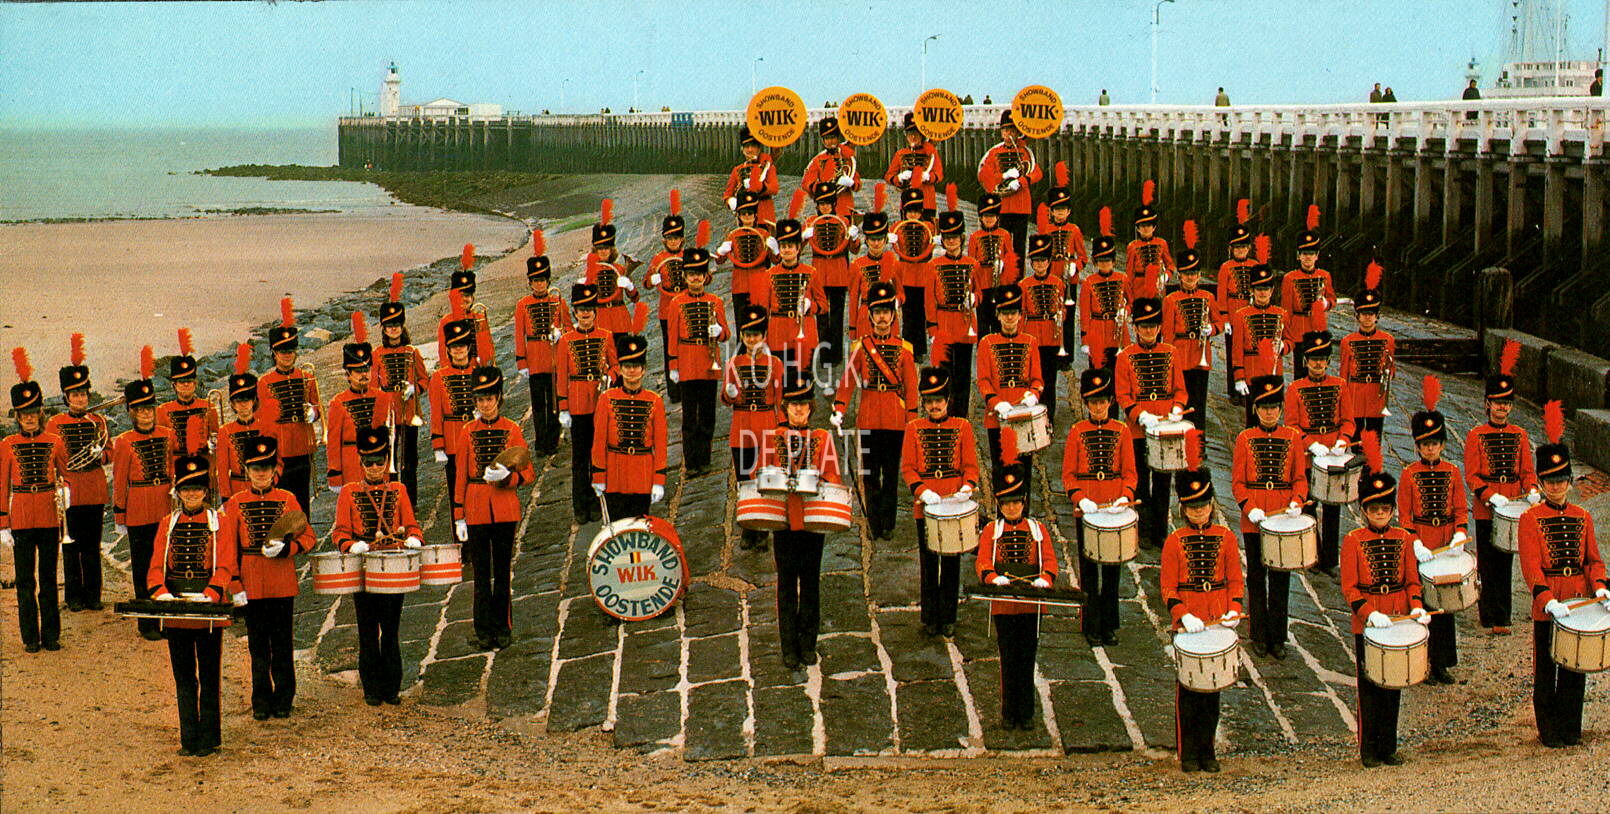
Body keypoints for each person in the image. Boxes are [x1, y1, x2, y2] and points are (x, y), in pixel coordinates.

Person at [1519, 401, 1608, 748]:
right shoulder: (1530, 519)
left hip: (1579, 600)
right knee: (1546, 669)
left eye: (1561, 480)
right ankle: (1548, 730)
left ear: (1570, 481)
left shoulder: (1583, 517)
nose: (1556, 486)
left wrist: (1600, 588)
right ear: (1541, 483)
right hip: (1550, 603)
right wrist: (1546, 600)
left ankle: (1571, 728)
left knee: (1576, 666)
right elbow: (1531, 567)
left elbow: (1594, 561)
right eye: (1549, 481)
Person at [1342, 447, 1429, 767]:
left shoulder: (1405, 538)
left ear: (1392, 510)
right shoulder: (1353, 540)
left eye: (1385, 508)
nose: (1380, 513)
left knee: (1394, 684)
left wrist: (1416, 607)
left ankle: (1388, 746)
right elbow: (1349, 587)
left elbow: (1412, 581)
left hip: (1399, 617)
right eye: (1373, 508)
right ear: (1364, 510)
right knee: (1369, 686)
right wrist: (1369, 613)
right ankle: (1368, 748)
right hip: (1369, 620)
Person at [146, 453, 236, 757]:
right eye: (186, 489)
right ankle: (188, 738)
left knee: (209, 676)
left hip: (208, 608)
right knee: (184, 676)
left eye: (197, 488)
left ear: (206, 491)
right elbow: (155, 567)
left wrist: (211, 593)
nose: (192, 494)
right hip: (176, 609)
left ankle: (210, 738)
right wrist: (161, 594)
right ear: (178, 491)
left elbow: (226, 564)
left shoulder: (220, 522)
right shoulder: (167, 523)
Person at [223, 435, 316, 719]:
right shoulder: (235, 503)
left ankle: (284, 698)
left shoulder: (287, 499)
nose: (261, 473)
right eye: (255, 468)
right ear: (246, 470)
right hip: (251, 582)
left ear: (274, 469)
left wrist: (289, 548)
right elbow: (228, 549)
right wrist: (235, 584)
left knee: (283, 644)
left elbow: (309, 537)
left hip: (281, 580)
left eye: (265, 467)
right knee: (258, 646)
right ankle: (261, 699)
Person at [1160, 460, 1243, 773]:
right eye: (1193, 508)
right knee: (1188, 691)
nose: (1199, 512)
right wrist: (1182, 615)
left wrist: (1234, 608)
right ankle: (1188, 752)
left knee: (1212, 693)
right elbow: (1168, 588)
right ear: (1184, 509)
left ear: (1211, 506)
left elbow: (1235, 579)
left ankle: (1208, 750)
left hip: (1217, 622)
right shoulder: (1174, 541)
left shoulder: (1226, 537)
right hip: (1189, 625)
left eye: (1203, 506)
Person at [332, 427, 424, 705]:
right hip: (363, 566)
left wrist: (414, 539)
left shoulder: (398, 489)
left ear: (386, 462)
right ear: (361, 462)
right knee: (367, 630)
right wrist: (351, 545)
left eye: (379, 461)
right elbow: (339, 533)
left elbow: (412, 525)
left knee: (391, 630)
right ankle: (371, 687)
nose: (374, 467)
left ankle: (391, 687)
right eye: (369, 462)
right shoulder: (348, 492)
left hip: (393, 566)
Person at [760, 372, 843, 668]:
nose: (798, 410)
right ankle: (788, 647)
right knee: (785, 584)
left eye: (803, 405)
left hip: (812, 519)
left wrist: (818, 481)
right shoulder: (772, 437)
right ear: (785, 408)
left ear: (811, 408)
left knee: (810, 582)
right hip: (783, 520)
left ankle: (808, 643)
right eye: (793, 405)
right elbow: (760, 473)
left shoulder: (822, 438)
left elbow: (833, 476)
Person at [454, 365, 536, 650]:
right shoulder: (467, 432)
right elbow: (460, 476)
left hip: (504, 507)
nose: (485, 405)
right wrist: (459, 516)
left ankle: (502, 626)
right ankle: (483, 628)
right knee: (480, 574)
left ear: (499, 398)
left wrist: (508, 477)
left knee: (501, 571)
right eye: (480, 400)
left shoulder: (512, 429)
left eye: (489, 398)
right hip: (476, 506)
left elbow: (528, 473)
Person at [975, 462, 1057, 730]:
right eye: (1006, 503)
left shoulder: (1038, 529)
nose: (1011, 508)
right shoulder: (992, 531)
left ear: (1023, 503)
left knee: (1027, 658)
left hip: (1031, 604)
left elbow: (1050, 562)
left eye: (1015, 503)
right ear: (999, 505)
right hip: (1004, 605)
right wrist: (992, 578)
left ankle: (1027, 713)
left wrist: (1045, 579)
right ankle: (1009, 712)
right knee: (1008, 659)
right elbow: (983, 561)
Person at [833, 281, 917, 541]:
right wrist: (839, 407)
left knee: (891, 474)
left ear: (893, 316)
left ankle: (888, 522)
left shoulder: (905, 349)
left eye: (886, 312)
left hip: (895, 418)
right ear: (870, 316)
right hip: (869, 416)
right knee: (869, 474)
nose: (882, 317)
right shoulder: (861, 347)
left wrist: (912, 419)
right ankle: (873, 522)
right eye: (877, 312)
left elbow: (911, 387)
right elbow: (848, 380)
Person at [1464, 339, 1538, 635]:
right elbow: (1472, 476)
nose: (1502, 407)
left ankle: (1503, 616)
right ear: (1487, 404)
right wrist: (1490, 496)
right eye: (1497, 402)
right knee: (1487, 561)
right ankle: (1487, 613)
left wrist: (1532, 490)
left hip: (1513, 507)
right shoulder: (1476, 435)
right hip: (1488, 507)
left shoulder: (1520, 435)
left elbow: (1527, 471)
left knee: (1506, 562)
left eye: (1506, 403)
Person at [1232, 375, 1307, 659]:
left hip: (1282, 520)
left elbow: (1299, 478)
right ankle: (1258, 634)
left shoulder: (1293, 437)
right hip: (1254, 520)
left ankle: (1278, 636)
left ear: (1281, 409)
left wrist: (1297, 501)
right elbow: (1238, 482)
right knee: (1256, 576)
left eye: (1274, 407)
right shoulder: (1245, 438)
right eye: (1264, 407)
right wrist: (1250, 508)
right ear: (1255, 409)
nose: (1269, 412)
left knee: (1280, 578)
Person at [902, 366, 981, 638]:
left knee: (950, 563)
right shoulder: (914, 428)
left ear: (948, 400)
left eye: (938, 400)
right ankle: (929, 616)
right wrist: (922, 491)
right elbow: (908, 468)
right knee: (928, 563)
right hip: (925, 507)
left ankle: (948, 616)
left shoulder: (963, 427)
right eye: (929, 401)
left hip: (953, 506)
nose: (934, 406)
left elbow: (971, 466)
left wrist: (967, 487)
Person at [1062, 368, 1139, 646]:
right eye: (1093, 402)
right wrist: (1080, 498)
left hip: (1113, 511)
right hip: (1088, 510)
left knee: (1112, 571)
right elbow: (1068, 475)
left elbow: (1130, 473)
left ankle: (1108, 623)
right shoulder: (1077, 432)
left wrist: (1125, 496)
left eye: (1103, 402)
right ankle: (1090, 623)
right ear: (1086, 404)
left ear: (1110, 402)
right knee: (1088, 570)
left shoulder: (1122, 431)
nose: (1098, 407)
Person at [1400, 377, 1468, 685]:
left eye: (1435, 443)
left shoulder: (1452, 472)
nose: (1430, 448)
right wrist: (1415, 543)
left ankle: (1442, 662)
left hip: (1446, 545)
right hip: (1422, 545)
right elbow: (1405, 515)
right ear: (1417, 446)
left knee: (1446, 604)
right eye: (1425, 444)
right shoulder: (1408, 475)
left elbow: (1461, 509)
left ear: (1442, 445)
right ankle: (1423, 662)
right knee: (1424, 604)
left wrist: (1460, 534)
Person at [2, 350, 69, 652]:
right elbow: (1, 486)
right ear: (17, 417)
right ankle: (30, 637)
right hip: (21, 519)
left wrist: (66, 492)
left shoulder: (55, 441)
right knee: (25, 582)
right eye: (24, 413)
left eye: (33, 412)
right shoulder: (7, 445)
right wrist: (3, 523)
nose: (29, 418)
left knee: (49, 579)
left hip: (48, 516)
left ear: (41, 413)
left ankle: (51, 635)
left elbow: (66, 474)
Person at [112, 350, 176, 640]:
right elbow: (119, 481)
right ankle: (146, 622)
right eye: (140, 410)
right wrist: (120, 514)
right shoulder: (124, 442)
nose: (146, 414)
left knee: (165, 564)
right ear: (132, 413)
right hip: (138, 510)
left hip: (164, 506)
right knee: (142, 568)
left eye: (149, 409)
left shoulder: (167, 434)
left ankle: (166, 618)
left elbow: (173, 468)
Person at [1115, 297, 1186, 548]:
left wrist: (1177, 409)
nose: (1148, 331)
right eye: (1144, 326)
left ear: (1159, 328)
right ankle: (1143, 530)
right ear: (1135, 328)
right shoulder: (1125, 356)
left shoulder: (1171, 353)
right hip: (1138, 430)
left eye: (1153, 326)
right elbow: (1123, 395)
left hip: (1165, 429)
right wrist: (1141, 416)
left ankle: (1160, 531)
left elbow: (1180, 390)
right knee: (1141, 481)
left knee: (1164, 482)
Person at [47, 334, 109, 612]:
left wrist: (100, 454)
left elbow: (109, 452)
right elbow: (52, 457)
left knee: (92, 547)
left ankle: (93, 595)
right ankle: (73, 596)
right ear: (66, 397)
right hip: (69, 492)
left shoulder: (99, 420)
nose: (80, 399)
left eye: (83, 394)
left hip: (94, 490)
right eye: (75, 395)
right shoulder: (55, 423)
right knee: (71, 547)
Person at [1285, 331, 1354, 573]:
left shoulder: (1340, 385)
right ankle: (1313, 553)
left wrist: (1343, 440)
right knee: (1309, 505)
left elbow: (1348, 421)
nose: (1318, 364)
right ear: (1305, 361)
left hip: (1334, 455)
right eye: (1314, 359)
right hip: (1307, 456)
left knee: (1333, 507)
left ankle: (1330, 561)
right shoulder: (1295, 388)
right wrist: (1311, 444)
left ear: (1328, 361)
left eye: (1322, 359)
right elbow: (1292, 425)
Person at [722, 305, 784, 550]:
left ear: (764, 336)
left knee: (764, 478)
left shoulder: (775, 363)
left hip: (766, 425)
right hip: (741, 426)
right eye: (748, 335)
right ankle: (748, 527)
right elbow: (726, 398)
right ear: (742, 337)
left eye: (756, 335)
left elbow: (780, 398)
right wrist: (729, 394)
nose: (752, 340)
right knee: (743, 479)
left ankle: (763, 529)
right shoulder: (733, 363)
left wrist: (782, 429)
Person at [556, 284, 618, 524]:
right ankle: (580, 505)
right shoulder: (566, 341)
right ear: (574, 312)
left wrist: (610, 376)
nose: (585, 313)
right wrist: (563, 408)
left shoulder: (606, 335)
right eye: (581, 309)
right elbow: (562, 376)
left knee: (599, 454)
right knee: (580, 458)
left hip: (600, 403)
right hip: (578, 405)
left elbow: (615, 365)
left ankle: (597, 502)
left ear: (595, 312)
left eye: (589, 309)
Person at [591, 334, 669, 522]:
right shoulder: (606, 399)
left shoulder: (655, 401)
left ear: (644, 369)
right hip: (615, 476)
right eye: (627, 366)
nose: (631, 371)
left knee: (640, 528)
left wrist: (659, 480)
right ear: (620, 369)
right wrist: (599, 475)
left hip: (643, 476)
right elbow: (599, 441)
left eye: (636, 366)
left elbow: (660, 445)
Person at [665, 246, 728, 476]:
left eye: (699, 274)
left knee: (708, 414)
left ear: (705, 276)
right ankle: (692, 462)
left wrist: (719, 330)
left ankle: (705, 458)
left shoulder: (715, 301)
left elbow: (726, 334)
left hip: (708, 362)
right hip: (687, 363)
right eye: (691, 274)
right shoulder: (676, 303)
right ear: (684, 276)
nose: (695, 278)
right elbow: (672, 337)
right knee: (690, 416)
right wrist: (673, 366)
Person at [977, 285, 1044, 493]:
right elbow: (983, 381)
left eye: (1013, 313)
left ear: (1020, 315)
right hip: (997, 417)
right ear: (998, 315)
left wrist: (1034, 395)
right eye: (1005, 313)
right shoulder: (987, 343)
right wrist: (996, 403)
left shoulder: (1030, 342)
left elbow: (1037, 379)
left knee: (1023, 472)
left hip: (1023, 416)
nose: (1009, 318)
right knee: (1001, 472)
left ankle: (1024, 510)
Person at [260, 298, 321, 516]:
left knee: (303, 497)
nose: (287, 355)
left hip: (302, 443)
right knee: (283, 498)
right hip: (281, 448)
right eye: (282, 351)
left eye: (291, 351)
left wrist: (312, 413)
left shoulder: (306, 377)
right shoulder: (265, 382)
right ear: (274, 353)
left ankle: (304, 529)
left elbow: (317, 407)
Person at [928, 195, 986, 416]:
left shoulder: (973, 264)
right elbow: (929, 300)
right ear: (942, 240)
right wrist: (932, 328)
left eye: (955, 237)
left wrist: (974, 299)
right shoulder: (934, 265)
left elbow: (980, 292)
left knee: (962, 375)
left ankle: (960, 417)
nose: (951, 241)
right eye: (947, 238)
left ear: (962, 238)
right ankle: (944, 414)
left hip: (964, 324)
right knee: (944, 374)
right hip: (943, 324)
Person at [325, 318, 396, 495]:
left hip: (379, 461)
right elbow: (333, 443)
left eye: (366, 370)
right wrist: (335, 474)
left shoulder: (382, 397)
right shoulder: (338, 403)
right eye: (358, 371)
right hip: (351, 464)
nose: (364, 375)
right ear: (348, 374)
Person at [375, 273, 430, 500]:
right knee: (389, 459)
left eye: (396, 325)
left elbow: (425, 380)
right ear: (383, 329)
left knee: (409, 460)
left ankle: (410, 500)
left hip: (408, 412)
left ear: (402, 326)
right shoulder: (377, 354)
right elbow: (373, 387)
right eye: (389, 326)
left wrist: (414, 389)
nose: (393, 329)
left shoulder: (412, 352)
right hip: (388, 414)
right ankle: (391, 500)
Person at [514, 239, 571, 454]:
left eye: (543, 280)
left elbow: (569, 328)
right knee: (539, 404)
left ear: (548, 281)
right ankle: (540, 443)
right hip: (535, 360)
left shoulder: (558, 301)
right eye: (536, 281)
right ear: (530, 283)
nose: (539, 284)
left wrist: (560, 333)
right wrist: (522, 362)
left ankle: (553, 440)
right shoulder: (522, 305)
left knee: (555, 401)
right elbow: (519, 335)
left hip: (555, 358)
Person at [1161, 226, 1216, 428]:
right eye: (1186, 274)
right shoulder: (1171, 300)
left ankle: (1199, 439)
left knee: (1199, 401)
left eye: (1193, 273)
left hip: (1200, 355)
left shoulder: (1208, 297)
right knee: (1180, 399)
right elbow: (1167, 333)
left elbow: (1219, 322)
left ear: (1199, 275)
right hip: (1180, 354)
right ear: (1180, 276)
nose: (1190, 278)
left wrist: (1212, 329)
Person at [760, 213, 826, 378]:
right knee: (781, 379)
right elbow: (763, 309)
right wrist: (763, 340)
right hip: (778, 334)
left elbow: (824, 306)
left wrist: (810, 306)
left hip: (805, 334)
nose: (787, 250)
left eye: (790, 246)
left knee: (804, 379)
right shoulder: (769, 275)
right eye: (783, 246)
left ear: (798, 248)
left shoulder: (811, 272)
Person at [430, 315, 481, 528]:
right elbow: (436, 414)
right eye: (454, 346)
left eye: (462, 345)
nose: (459, 350)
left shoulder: (479, 373)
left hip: (477, 438)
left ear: (469, 348)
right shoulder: (439, 378)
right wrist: (438, 445)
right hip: (452, 442)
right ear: (448, 350)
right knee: (456, 493)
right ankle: (461, 535)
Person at [804, 182, 858, 380]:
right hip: (818, 271)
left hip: (838, 271)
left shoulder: (843, 221)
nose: (825, 207)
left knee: (836, 314)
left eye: (828, 203)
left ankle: (836, 353)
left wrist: (854, 237)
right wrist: (803, 236)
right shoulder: (811, 221)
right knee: (821, 314)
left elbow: (854, 249)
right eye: (821, 204)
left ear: (834, 203)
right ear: (817, 205)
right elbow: (798, 246)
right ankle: (824, 352)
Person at [977, 110, 1043, 264]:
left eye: (1012, 131)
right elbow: (984, 176)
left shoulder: (1025, 152)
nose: (1009, 134)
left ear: (1018, 133)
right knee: (1001, 246)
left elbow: (1037, 173)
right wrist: (1004, 176)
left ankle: (1018, 276)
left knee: (1019, 248)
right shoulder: (994, 153)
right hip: (1001, 206)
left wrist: (1022, 181)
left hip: (1021, 205)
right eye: (1006, 130)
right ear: (1001, 133)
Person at [215, 345, 280, 500]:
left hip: (265, 486)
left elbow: (277, 461)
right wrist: (225, 497)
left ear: (254, 401)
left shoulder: (266, 426)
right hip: (237, 488)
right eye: (238, 401)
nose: (243, 404)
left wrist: (275, 485)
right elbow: (222, 469)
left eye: (247, 399)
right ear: (232, 404)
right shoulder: (225, 431)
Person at [1338, 263, 1395, 441]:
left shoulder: (1388, 340)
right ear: (1357, 316)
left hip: (1376, 395)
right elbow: (1343, 374)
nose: (1368, 317)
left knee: (1374, 439)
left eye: (1371, 313)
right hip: (1355, 393)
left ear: (1377, 316)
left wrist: (1388, 372)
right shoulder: (1347, 341)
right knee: (1354, 439)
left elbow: (1392, 370)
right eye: (1364, 313)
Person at [1229, 263, 1287, 428]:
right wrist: (1239, 377)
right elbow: (1237, 349)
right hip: (1252, 372)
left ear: (1272, 290)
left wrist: (1283, 346)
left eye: (1266, 289)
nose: (1263, 293)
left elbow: (1290, 341)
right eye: (1259, 289)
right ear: (1252, 290)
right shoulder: (1241, 315)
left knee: (1273, 416)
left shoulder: (1281, 314)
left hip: (1274, 371)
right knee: (1253, 419)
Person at [1017, 235, 1066, 421]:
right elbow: (1021, 313)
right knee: (1032, 379)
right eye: (1036, 260)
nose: (1040, 264)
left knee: (1050, 380)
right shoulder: (1024, 285)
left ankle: (1049, 419)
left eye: (1043, 260)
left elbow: (1063, 309)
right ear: (1031, 262)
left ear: (1049, 261)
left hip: (1052, 337)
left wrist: (1060, 316)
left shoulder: (1058, 283)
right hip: (1032, 336)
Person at [1281, 209, 1336, 373]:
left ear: (1317, 256)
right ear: (1298, 256)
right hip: (1299, 329)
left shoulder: (1325, 275)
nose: (1308, 257)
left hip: (1318, 327)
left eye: (1311, 254)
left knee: (1319, 368)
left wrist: (1326, 304)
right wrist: (1286, 334)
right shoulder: (1290, 278)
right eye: (1304, 254)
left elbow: (1332, 299)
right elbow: (1286, 310)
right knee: (1301, 370)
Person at [156, 329, 219, 471]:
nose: (186, 384)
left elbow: (215, 437)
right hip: (176, 466)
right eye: (181, 381)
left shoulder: (208, 406)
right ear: (174, 385)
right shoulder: (163, 411)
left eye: (189, 381)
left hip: (204, 463)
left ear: (195, 384)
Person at [716, 190, 777, 326]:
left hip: (760, 280)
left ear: (755, 215)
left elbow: (775, 260)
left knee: (762, 322)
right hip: (740, 283)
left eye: (750, 213)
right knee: (742, 323)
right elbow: (720, 261)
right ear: (739, 216)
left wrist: (775, 249)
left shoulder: (764, 234)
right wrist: (721, 252)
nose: (747, 216)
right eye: (744, 214)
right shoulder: (733, 235)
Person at [647, 200, 688, 404]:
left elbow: (704, 278)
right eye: (670, 238)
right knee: (669, 349)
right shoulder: (658, 259)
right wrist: (652, 280)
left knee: (687, 347)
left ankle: (688, 384)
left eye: (676, 238)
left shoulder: (688, 256)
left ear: (682, 239)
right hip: (667, 310)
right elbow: (646, 283)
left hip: (687, 307)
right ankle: (674, 390)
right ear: (664, 239)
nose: (673, 242)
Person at [1079, 212, 1130, 374]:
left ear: (1114, 261)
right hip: (1097, 331)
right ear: (1095, 262)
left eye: (1108, 260)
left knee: (1119, 374)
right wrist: (1085, 339)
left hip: (1117, 332)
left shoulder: (1123, 279)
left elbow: (1132, 302)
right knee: (1098, 374)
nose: (1104, 264)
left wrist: (1125, 311)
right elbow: (1084, 314)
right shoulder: (1088, 282)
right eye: (1101, 261)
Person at [889, 189, 936, 362]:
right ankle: (908, 348)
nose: (913, 215)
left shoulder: (930, 227)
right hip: (905, 274)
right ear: (904, 212)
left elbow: (934, 244)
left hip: (923, 274)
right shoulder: (897, 227)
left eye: (916, 211)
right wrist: (889, 239)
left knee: (921, 313)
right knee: (908, 314)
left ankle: (920, 349)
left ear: (921, 211)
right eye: (910, 211)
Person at [1217, 203, 1257, 398]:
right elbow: (1221, 294)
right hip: (1233, 313)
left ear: (1249, 248)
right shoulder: (1226, 267)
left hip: (1250, 312)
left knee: (1250, 352)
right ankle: (1234, 391)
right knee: (1233, 353)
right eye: (1237, 247)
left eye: (1243, 247)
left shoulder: (1255, 265)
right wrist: (1224, 318)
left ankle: (1249, 387)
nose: (1240, 250)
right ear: (1231, 249)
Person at [967, 192, 1019, 337]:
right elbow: (971, 263)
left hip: (999, 285)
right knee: (983, 324)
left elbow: (1011, 258)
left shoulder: (1005, 234)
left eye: (992, 216)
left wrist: (1004, 264)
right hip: (982, 285)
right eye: (986, 216)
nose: (989, 219)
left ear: (997, 217)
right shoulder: (975, 237)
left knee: (998, 323)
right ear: (980, 218)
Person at [584, 204, 640, 336]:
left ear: (611, 250)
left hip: (620, 319)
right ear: (595, 250)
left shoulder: (620, 269)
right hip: (600, 319)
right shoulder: (590, 270)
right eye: (600, 248)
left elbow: (635, 299)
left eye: (607, 248)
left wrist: (630, 287)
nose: (603, 251)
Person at [846, 203, 898, 343]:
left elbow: (901, 292)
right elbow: (853, 299)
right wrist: (852, 329)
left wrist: (897, 301)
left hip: (889, 315)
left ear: (885, 240)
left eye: (879, 239)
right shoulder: (857, 265)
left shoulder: (893, 262)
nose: (876, 243)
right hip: (866, 316)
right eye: (872, 239)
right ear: (866, 240)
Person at [435, 256, 494, 365]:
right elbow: (444, 355)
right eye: (460, 295)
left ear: (472, 298)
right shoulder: (446, 321)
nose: (464, 299)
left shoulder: (480, 318)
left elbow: (488, 350)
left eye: (467, 295)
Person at [884, 113, 942, 220]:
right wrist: (899, 178)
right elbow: (888, 176)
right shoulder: (900, 154)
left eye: (916, 133)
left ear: (922, 134)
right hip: (907, 202)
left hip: (927, 202)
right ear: (906, 135)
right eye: (910, 134)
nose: (913, 137)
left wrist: (928, 177)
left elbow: (939, 175)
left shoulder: (931, 153)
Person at [799, 116, 859, 216]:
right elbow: (806, 183)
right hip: (825, 208)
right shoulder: (818, 160)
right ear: (823, 140)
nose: (830, 142)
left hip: (845, 207)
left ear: (838, 138)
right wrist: (822, 189)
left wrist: (851, 183)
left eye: (832, 138)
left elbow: (857, 185)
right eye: (826, 138)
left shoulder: (847, 157)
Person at [1126, 184, 1175, 304]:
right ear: (1138, 229)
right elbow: (1129, 272)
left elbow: (1170, 265)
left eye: (1149, 225)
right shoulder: (1133, 246)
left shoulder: (1162, 243)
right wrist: (1129, 295)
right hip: (1139, 286)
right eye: (1142, 226)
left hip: (1157, 285)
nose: (1146, 229)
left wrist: (1165, 276)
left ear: (1154, 227)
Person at [724, 126, 779, 224]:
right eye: (746, 146)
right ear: (742, 149)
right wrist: (733, 202)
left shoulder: (767, 166)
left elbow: (774, 189)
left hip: (765, 216)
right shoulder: (737, 170)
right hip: (746, 218)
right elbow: (727, 195)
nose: (750, 150)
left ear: (758, 148)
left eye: (753, 146)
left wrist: (760, 187)